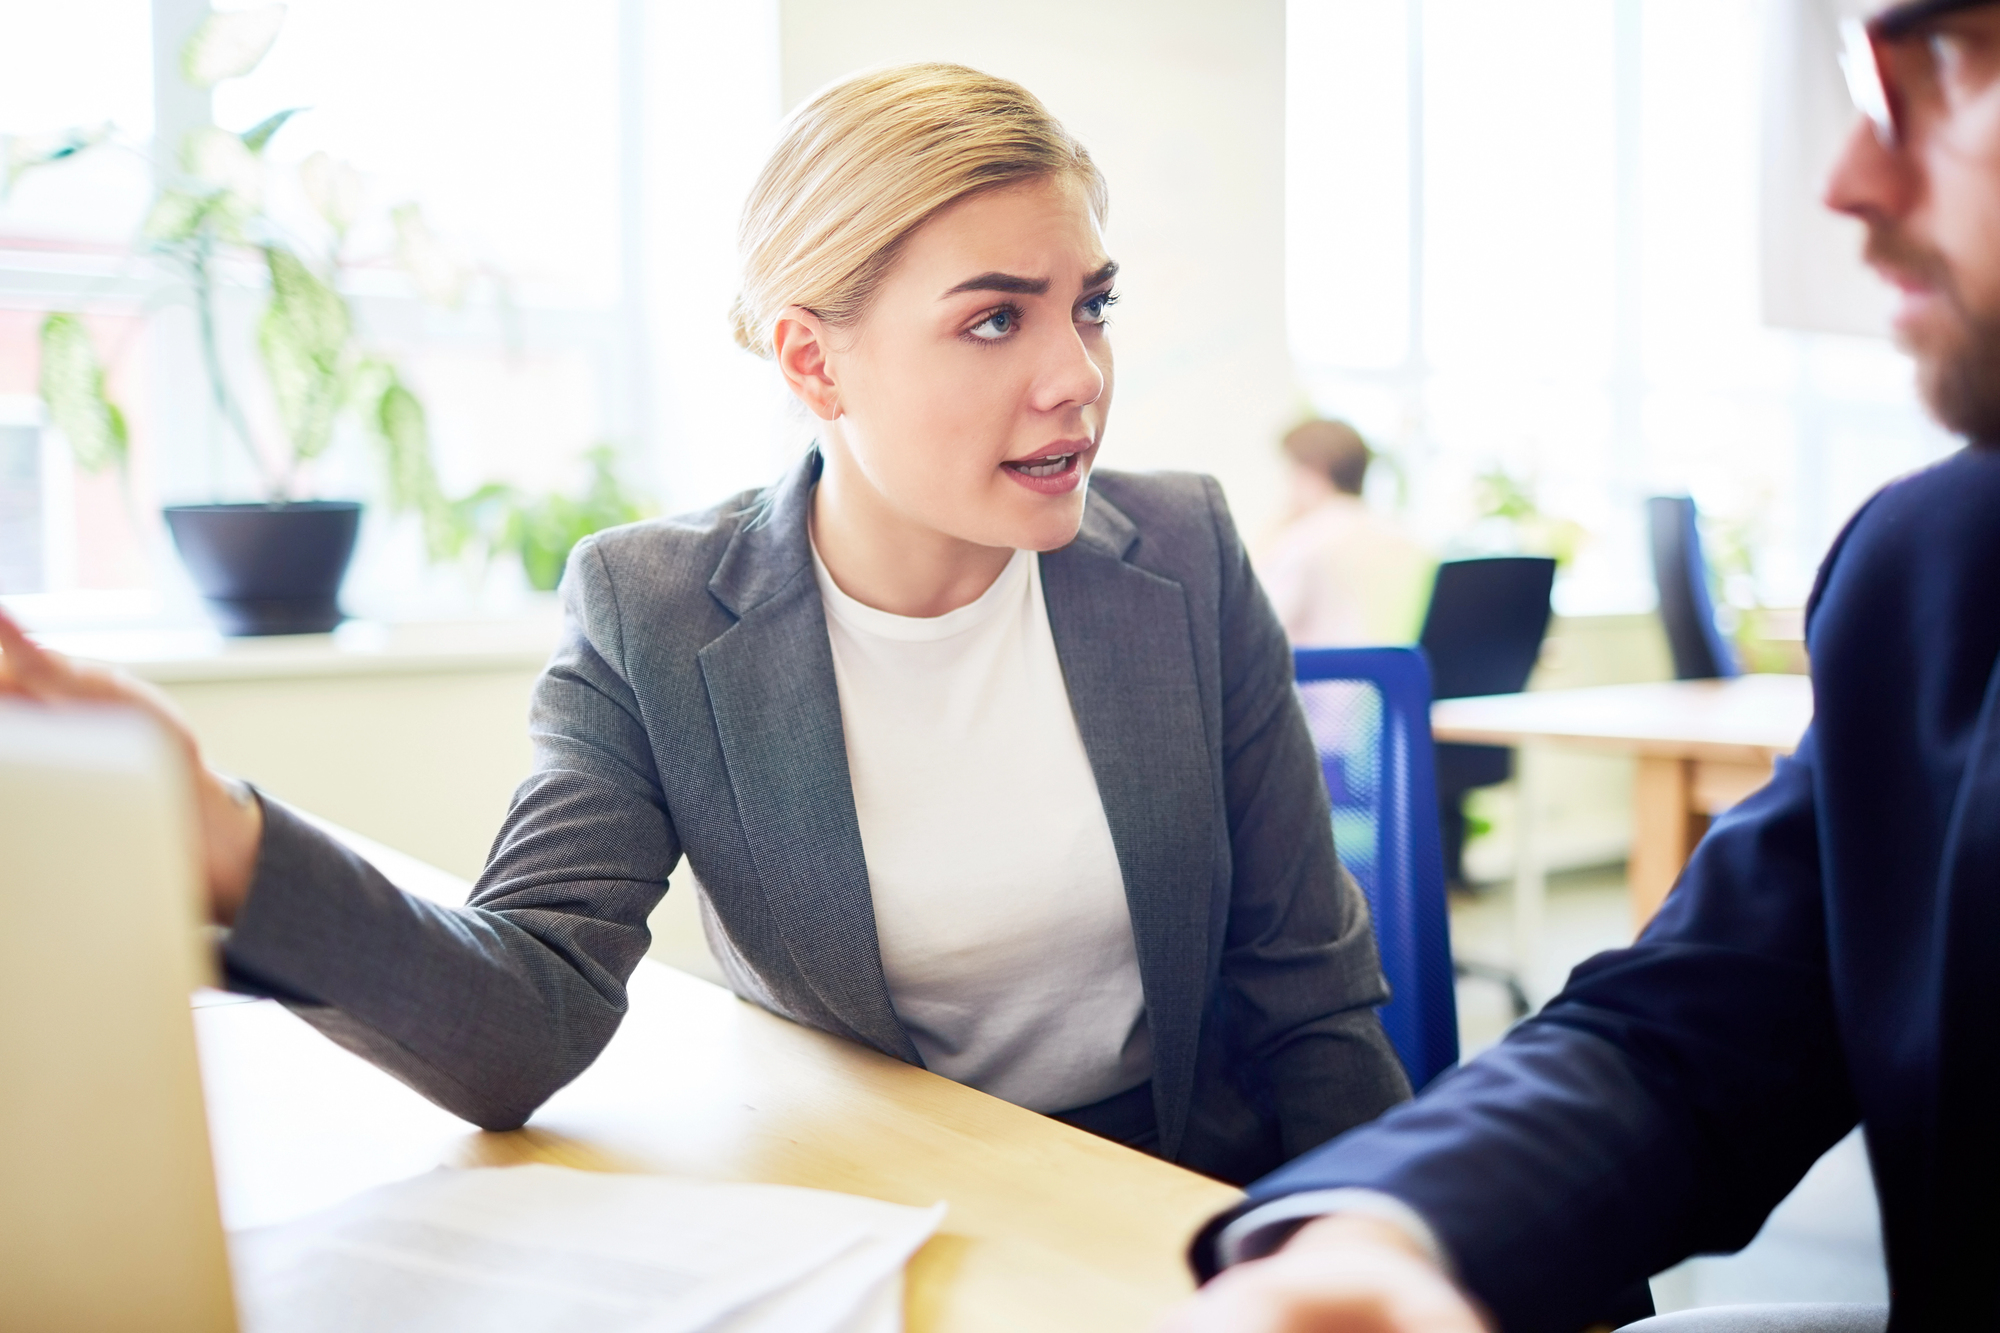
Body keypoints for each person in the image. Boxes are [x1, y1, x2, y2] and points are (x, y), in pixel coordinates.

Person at [0, 63, 1410, 1185]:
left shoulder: (1181, 552)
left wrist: (1387, 1243)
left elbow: (1314, 1006)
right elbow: (522, 1015)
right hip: (889, 1206)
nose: (1076, 380)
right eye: (996, 321)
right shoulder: (654, 609)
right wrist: (225, 834)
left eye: (1090, 309)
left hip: (1186, 1204)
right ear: (813, 356)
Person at [1162, 0, 2000, 1327]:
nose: (1850, 181)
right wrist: (1387, 1234)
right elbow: (1689, 1025)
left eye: (1944, 68)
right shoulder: (1937, 577)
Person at [1253, 418, 1433, 648]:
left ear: (1313, 469)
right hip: (1385, 679)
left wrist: (1271, 536)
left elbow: (1254, 622)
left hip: (1318, 678)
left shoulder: (1306, 537)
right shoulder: (1402, 536)